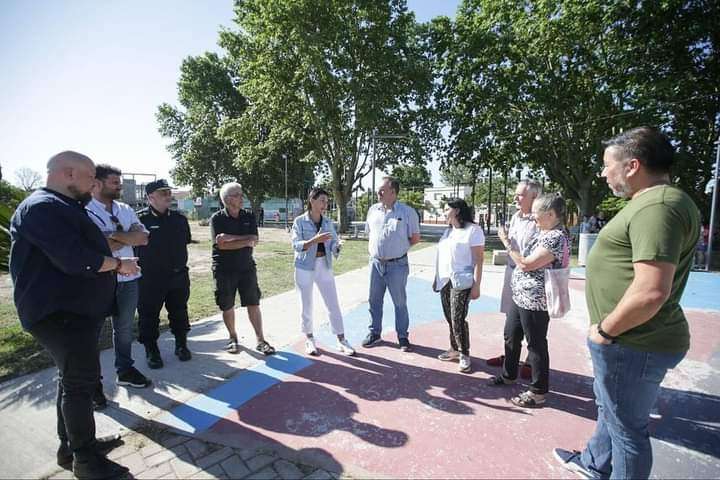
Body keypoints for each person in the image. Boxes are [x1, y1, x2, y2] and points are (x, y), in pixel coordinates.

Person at [553, 127, 700, 479]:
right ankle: (594, 463)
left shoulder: (657, 206)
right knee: (612, 411)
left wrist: (605, 330)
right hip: (630, 339)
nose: (604, 173)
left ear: (632, 166)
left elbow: (651, 291)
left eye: (608, 165)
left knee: (627, 430)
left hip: (633, 341)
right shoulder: (653, 203)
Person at [9, 151, 134, 478]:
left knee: (73, 381)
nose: (94, 184)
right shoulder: (42, 207)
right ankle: (85, 460)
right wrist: (119, 265)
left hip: (74, 312)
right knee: (80, 384)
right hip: (60, 314)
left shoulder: (60, 206)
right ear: (68, 173)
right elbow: (78, 259)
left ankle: (71, 448)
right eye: (90, 177)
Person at [491, 193, 569, 408]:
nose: (533, 217)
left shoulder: (555, 237)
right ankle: (509, 374)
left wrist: (506, 242)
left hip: (536, 300)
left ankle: (538, 391)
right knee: (511, 335)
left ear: (551, 214)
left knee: (535, 344)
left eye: (536, 213)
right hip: (521, 295)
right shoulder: (543, 231)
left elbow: (526, 264)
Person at [86, 164, 151, 401]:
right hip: (98, 280)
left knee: (123, 329)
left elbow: (143, 237)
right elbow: (94, 248)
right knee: (91, 333)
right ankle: (92, 383)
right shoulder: (84, 210)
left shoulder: (125, 208)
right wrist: (126, 236)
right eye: (115, 182)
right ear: (97, 183)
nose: (120, 186)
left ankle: (124, 370)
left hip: (129, 279)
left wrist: (110, 235)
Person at [210, 182, 276, 355]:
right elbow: (222, 246)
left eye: (241, 194)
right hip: (224, 269)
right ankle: (233, 338)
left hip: (246, 267)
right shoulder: (217, 219)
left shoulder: (248, 216)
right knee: (227, 305)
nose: (242, 197)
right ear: (228, 199)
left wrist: (230, 238)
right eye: (238, 195)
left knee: (253, 303)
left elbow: (254, 239)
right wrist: (244, 241)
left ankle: (261, 340)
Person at [291, 187, 356, 356]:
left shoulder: (327, 223)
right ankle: (309, 339)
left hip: (324, 265)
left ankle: (342, 340)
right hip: (304, 267)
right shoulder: (299, 222)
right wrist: (314, 240)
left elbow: (333, 244)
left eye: (327, 202)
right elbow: (296, 245)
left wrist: (337, 246)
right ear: (311, 200)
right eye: (322, 201)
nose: (325, 205)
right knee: (306, 304)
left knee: (332, 303)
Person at [487, 179, 542, 379]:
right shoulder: (516, 217)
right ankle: (511, 357)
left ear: (534, 197)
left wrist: (504, 239)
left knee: (530, 323)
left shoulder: (540, 221)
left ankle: (529, 360)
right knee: (512, 321)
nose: (515, 198)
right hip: (512, 272)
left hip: (530, 277)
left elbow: (529, 255)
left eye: (520, 195)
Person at [136, 179, 193, 368]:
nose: (168, 196)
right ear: (150, 197)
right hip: (150, 279)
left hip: (177, 276)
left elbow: (185, 242)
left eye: (169, 192)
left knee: (179, 311)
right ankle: (152, 351)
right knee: (148, 315)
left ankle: (181, 345)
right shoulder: (139, 220)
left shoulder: (179, 219)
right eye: (163, 193)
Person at [362, 176, 421, 351]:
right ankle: (374, 333)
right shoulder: (373, 210)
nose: (378, 192)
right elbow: (370, 234)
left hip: (398, 265)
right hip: (376, 264)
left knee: (399, 302)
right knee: (374, 300)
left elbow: (416, 238)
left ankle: (402, 337)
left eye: (382, 190)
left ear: (393, 192)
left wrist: (399, 249)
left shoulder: (407, 212)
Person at [433, 198, 485, 372]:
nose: (443, 212)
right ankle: (454, 349)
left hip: (462, 281)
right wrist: (436, 278)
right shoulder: (448, 231)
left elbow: (479, 259)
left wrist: (477, 285)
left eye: (446, 209)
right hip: (445, 280)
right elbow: (442, 256)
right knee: (449, 317)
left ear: (456, 211)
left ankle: (464, 353)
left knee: (457, 318)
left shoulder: (473, 230)